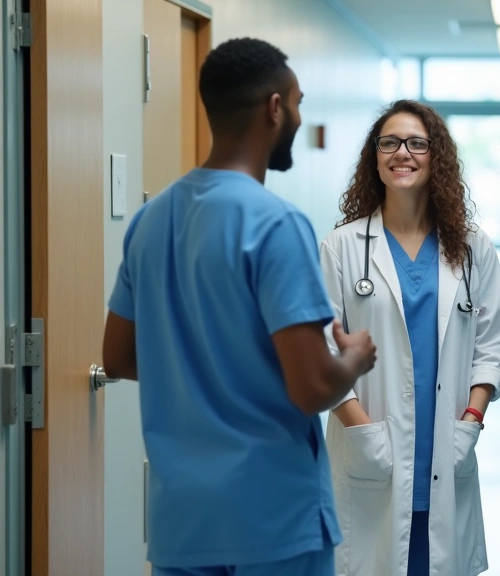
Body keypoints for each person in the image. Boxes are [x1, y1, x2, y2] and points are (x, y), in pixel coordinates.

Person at [101, 38, 377, 576]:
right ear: (274, 107)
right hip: (272, 520)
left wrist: (197, 367)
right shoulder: (275, 224)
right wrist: (355, 358)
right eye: (297, 103)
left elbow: (117, 359)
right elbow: (312, 387)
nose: (299, 117)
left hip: (182, 521)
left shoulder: (150, 220)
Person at [319, 99, 500, 576]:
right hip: (370, 448)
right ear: (375, 157)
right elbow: (320, 349)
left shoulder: (471, 248)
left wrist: (472, 417)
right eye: (388, 142)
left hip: (446, 445)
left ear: (436, 157)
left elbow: (493, 344)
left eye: (416, 143)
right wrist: (362, 429)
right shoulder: (343, 246)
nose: (401, 152)